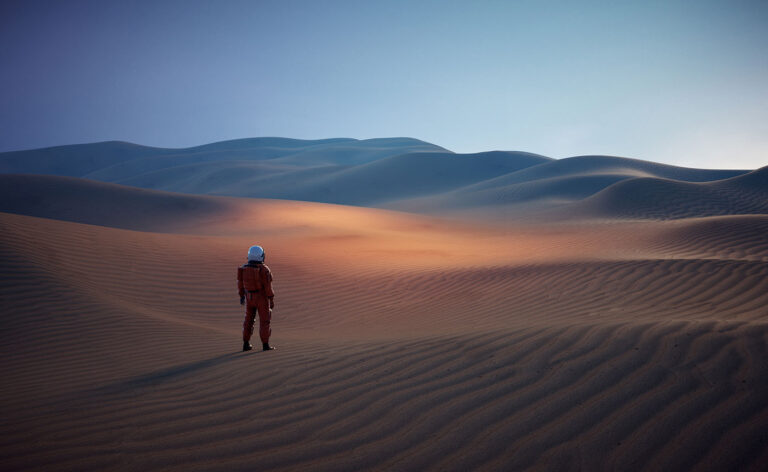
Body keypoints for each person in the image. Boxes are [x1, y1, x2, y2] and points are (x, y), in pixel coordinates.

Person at [237, 245, 275, 351]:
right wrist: (271, 299)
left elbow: (240, 284)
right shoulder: (264, 269)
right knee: (264, 321)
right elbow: (268, 286)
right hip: (261, 298)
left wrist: (241, 296)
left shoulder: (244, 268)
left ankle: (246, 343)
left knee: (248, 320)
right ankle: (265, 345)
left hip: (249, 297)